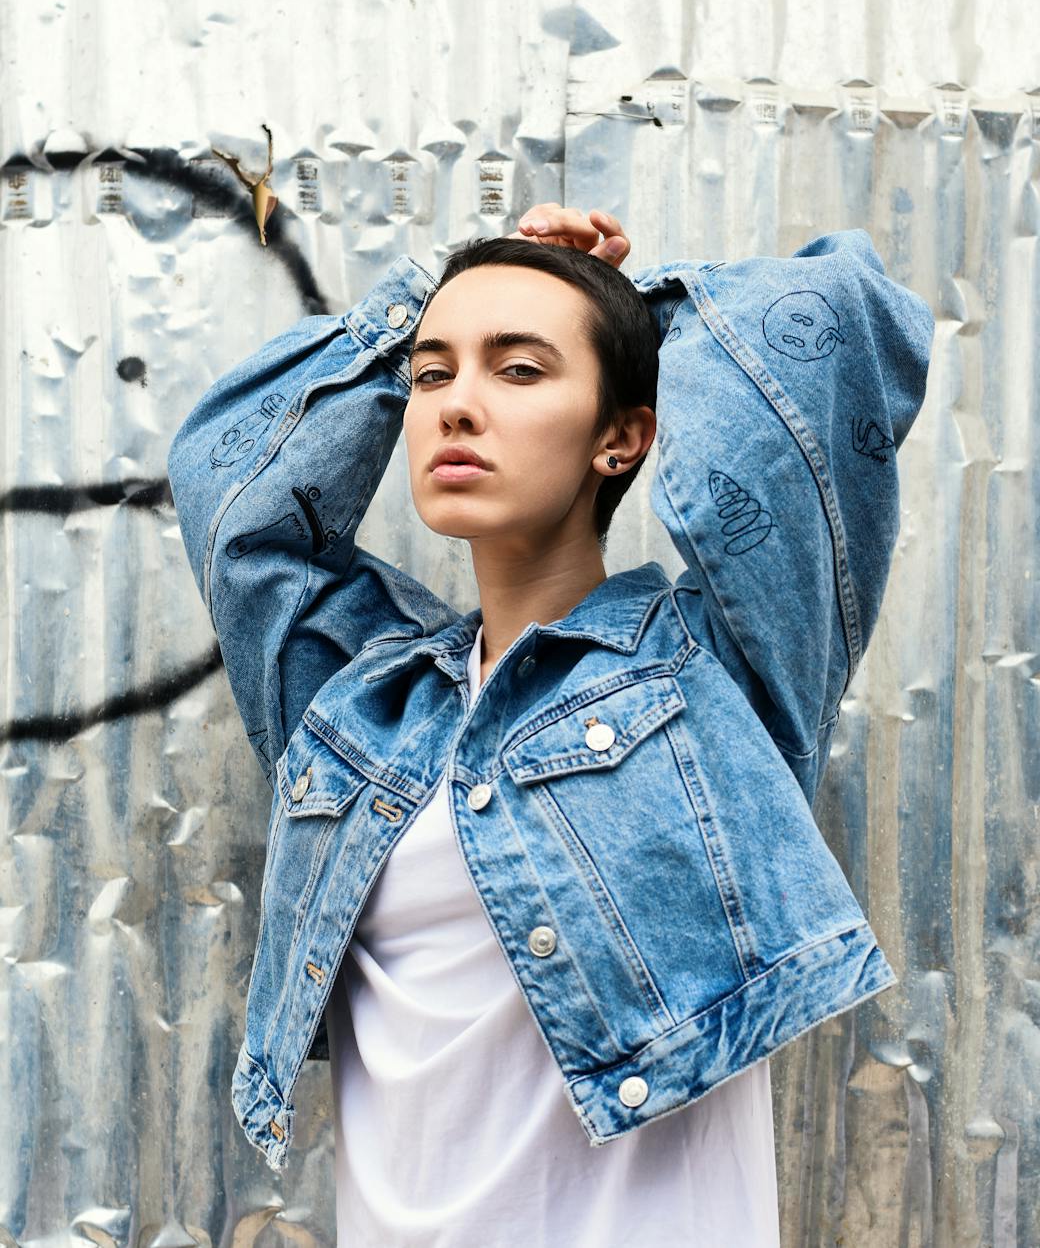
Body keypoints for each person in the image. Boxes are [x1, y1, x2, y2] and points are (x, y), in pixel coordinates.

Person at [166, 203, 934, 1246]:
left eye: (519, 370)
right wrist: (430, 296)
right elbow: (232, 495)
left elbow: (841, 315)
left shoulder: (715, 675)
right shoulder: (360, 705)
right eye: (430, 374)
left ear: (621, 437)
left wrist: (626, 302)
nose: (456, 406)